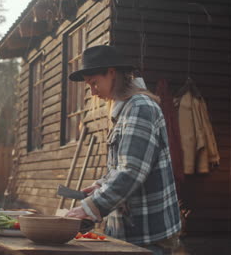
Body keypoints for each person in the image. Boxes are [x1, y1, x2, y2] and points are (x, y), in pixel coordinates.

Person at [66, 45, 181, 254]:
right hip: (131, 232)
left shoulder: (139, 108)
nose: (92, 91)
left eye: (94, 83)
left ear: (111, 73)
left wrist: (90, 207)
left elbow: (132, 171)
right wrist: (101, 185)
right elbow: (123, 165)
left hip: (147, 236)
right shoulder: (125, 109)